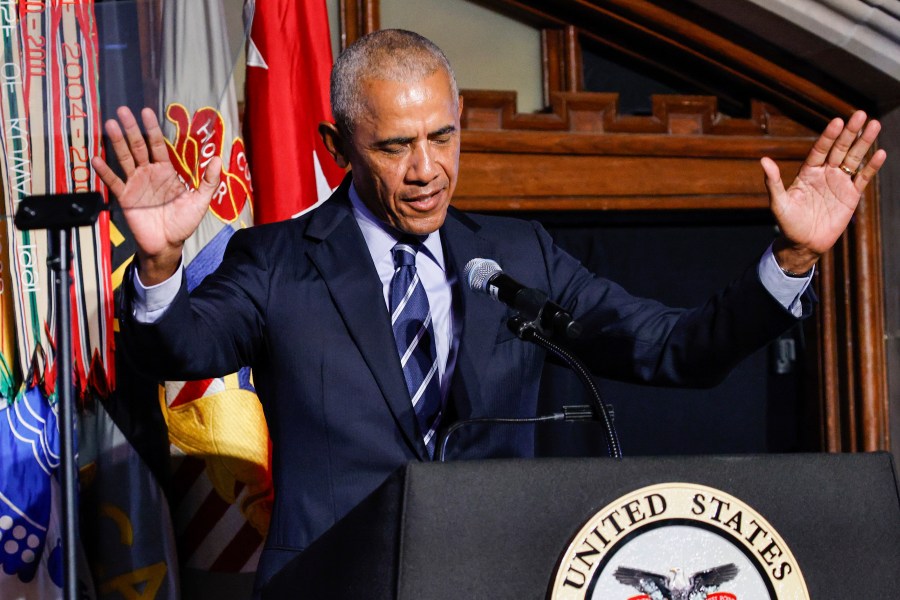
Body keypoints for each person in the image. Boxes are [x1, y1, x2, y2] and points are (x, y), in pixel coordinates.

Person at [91, 29, 885, 590]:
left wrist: (793, 259)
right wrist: (161, 264)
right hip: (329, 583)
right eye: (396, 146)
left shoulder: (521, 255)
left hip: (501, 575)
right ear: (338, 146)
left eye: (443, 135)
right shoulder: (277, 259)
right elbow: (182, 349)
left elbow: (674, 349)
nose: (427, 170)